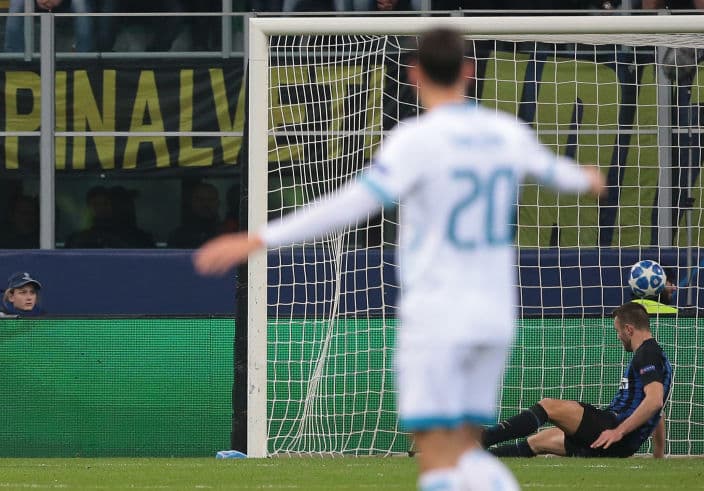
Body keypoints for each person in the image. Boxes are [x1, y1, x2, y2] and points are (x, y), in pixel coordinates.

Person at [194, 27, 605, 491]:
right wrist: (587, 179)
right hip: (492, 314)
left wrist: (262, 237)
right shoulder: (506, 132)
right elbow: (561, 174)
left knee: (436, 457)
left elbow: (351, 203)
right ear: (469, 72)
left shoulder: (417, 140)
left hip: (437, 311)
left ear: (414, 74)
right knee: (464, 451)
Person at [483, 302, 671, 459]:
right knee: (538, 441)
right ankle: (478, 458)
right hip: (618, 441)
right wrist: (658, 455)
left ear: (629, 329)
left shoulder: (647, 353)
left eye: (618, 331)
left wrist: (618, 431)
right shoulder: (657, 356)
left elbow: (654, 401)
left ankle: (484, 438)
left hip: (613, 429)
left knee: (549, 406)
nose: (618, 336)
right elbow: (657, 411)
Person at [168, 181, 222, 248]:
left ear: (218, 203)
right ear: (191, 203)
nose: (205, 204)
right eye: (200, 200)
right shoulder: (178, 235)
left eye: (210, 200)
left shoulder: (227, 233)